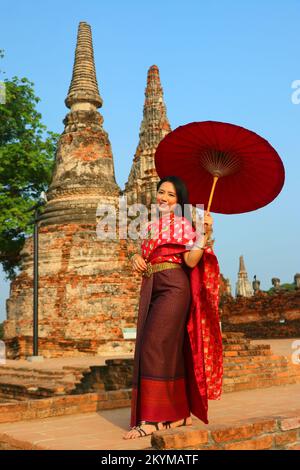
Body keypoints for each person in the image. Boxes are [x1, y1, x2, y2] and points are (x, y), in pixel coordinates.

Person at [123, 175, 223, 440]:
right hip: (151, 285)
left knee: (153, 346)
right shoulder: (149, 227)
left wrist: (204, 234)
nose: (164, 198)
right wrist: (135, 256)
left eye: (171, 195)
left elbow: (190, 261)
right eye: (161, 192)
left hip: (174, 287)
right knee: (163, 349)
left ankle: (153, 419)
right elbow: (144, 256)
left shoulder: (184, 226)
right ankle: (178, 415)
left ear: (179, 201)